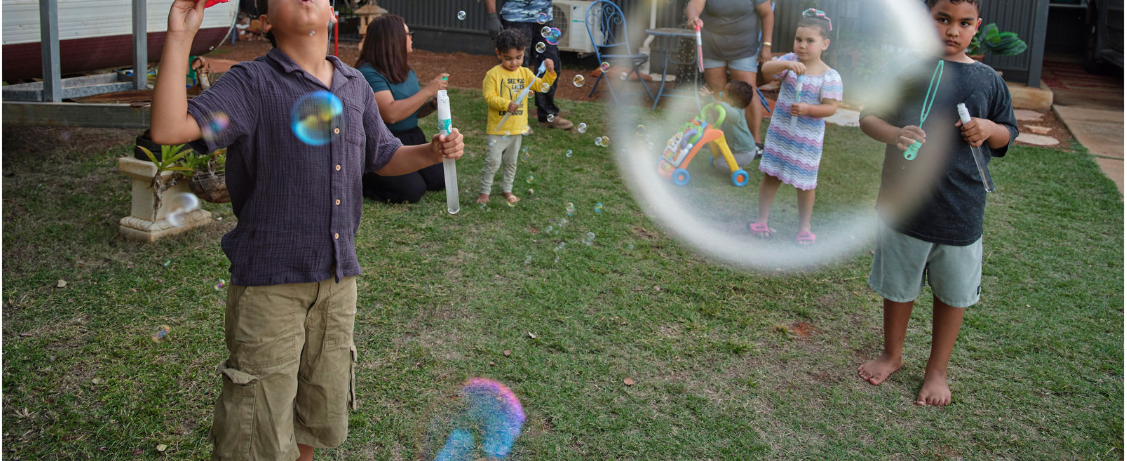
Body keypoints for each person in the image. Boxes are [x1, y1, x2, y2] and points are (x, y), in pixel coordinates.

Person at [148, 0, 464, 459]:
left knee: (314, 417)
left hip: (337, 284)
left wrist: (430, 153)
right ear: (266, 21)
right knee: (258, 427)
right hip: (268, 287)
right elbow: (168, 128)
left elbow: (384, 155)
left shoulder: (355, 86)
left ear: (332, 13)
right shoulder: (251, 83)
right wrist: (180, 35)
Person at [856, 0, 1017, 406]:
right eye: (942, 19)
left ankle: (937, 370)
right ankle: (892, 355)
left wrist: (989, 128)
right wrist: (895, 133)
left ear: (977, 26)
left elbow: (1008, 133)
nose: (952, 30)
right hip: (906, 208)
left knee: (952, 294)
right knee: (899, 287)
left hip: (961, 211)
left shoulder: (987, 80)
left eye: (964, 23)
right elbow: (869, 118)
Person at [750, 10, 842, 245]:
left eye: (810, 41)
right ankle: (761, 219)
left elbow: (831, 107)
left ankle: (804, 228)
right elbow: (766, 70)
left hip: (806, 141)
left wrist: (808, 109)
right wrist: (788, 64)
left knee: (805, 184)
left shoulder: (829, 76)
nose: (802, 45)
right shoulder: (790, 61)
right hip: (781, 134)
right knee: (771, 176)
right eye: (798, 39)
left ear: (824, 44)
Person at [356, 14, 449, 204]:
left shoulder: (406, 70)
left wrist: (431, 105)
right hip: (384, 140)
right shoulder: (368, 73)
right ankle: (365, 176)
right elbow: (391, 114)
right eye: (408, 34)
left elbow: (411, 111)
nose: (411, 37)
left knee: (439, 179)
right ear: (393, 40)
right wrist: (428, 90)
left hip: (412, 136)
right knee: (412, 191)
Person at [479, 28, 557, 205]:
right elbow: (489, 97)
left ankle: (507, 189)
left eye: (518, 57)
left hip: (516, 128)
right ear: (499, 54)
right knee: (493, 161)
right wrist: (506, 104)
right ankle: (484, 192)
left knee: (511, 162)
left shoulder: (525, 73)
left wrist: (550, 72)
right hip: (498, 128)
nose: (514, 63)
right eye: (508, 58)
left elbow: (542, 86)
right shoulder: (493, 74)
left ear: (524, 52)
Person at [687, 0, 774, 156]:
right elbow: (695, 4)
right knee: (717, 93)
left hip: (744, 47)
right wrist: (693, 17)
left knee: (747, 91)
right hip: (712, 46)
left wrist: (766, 45)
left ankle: (755, 142)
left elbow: (767, 13)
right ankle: (721, 138)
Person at [484, 0, 573, 130]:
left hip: (544, 16)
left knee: (551, 65)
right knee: (515, 69)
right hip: (515, 16)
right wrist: (492, 16)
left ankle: (547, 116)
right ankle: (513, 118)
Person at [699, 81, 759, 170]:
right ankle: (728, 162)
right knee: (718, 156)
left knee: (719, 163)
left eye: (724, 92)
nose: (721, 93)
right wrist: (709, 97)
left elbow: (730, 111)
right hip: (734, 149)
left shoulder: (737, 114)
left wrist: (722, 104)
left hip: (744, 153)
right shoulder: (727, 108)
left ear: (730, 101)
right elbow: (716, 106)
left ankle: (737, 169)